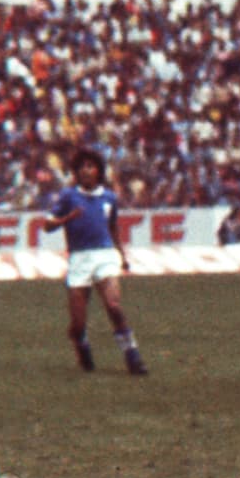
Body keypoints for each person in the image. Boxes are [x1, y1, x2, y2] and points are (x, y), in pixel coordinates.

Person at [43, 147, 146, 375]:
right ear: (76, 172)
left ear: (98, 170)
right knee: (78, 324)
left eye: (91, 166)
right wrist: (67, 218)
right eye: (82, 167)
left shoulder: (109, 197)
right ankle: (82, 346)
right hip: (79, 258)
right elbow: (47, 225)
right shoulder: (69, 196)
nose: (87, 171)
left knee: (113, 306)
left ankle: (133, 355)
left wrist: (122, 255)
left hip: (105, 255)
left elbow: (112, 227)